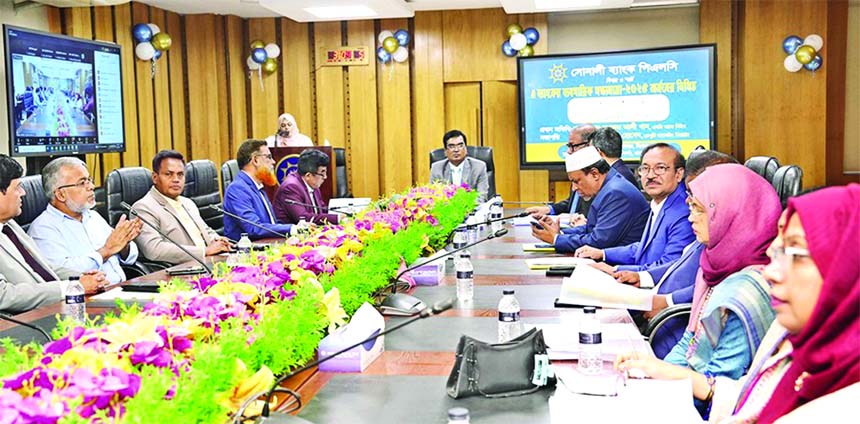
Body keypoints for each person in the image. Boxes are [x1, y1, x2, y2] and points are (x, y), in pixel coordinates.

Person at [615, 185, 859, 423]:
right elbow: (753, 396)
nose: (771, 272)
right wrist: (664, 370)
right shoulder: (793, 335)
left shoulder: (751, 295)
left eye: (795, 254)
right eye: (777, 253)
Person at [611, 150, 740, 358]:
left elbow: (712, 288)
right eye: (645, 169)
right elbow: (679, 264)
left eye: (660, 168)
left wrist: (667, 301)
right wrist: (640, 276)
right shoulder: (702, 226)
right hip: (664, 325)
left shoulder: (726, 237)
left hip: (670, 329)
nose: (691, 215)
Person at [0, 155, 106, 314]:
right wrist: (72, 287)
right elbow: (4, 295)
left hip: (58, 308)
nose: (23, 193)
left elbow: (43, 267)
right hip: (29, 319)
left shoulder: (9, 225)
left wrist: (82, 278)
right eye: (17, 188)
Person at [575, 143, 695, 272]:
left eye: (660, 168)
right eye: (645, 168)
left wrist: (615, 270)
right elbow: (644, 248)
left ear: (678, 174)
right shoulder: (660, 202)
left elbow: (670, 267)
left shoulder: (684, 212)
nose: (650, 175)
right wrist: (602, 253)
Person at [28, 157, 141, 286]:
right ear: (60, 194)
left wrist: (124, 244)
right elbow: (63, 274)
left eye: (89, 180)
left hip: (122, 287)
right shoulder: (43, 229)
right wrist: (106, 250)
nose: (91, 187)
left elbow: (130, 259)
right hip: (90, 295)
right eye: (82, 183)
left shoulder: (93, 216)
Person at [532, 146, 648, 253]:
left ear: (595, 174)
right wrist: (558, 232)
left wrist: (556, 239)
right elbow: (592, 228)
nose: (574, 188)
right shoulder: (609, 187)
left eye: (576, 181)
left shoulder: (616, 192)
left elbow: (598, 242)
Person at [131, 150, 231, 266]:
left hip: (209, 263)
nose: (176, 179)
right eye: (168, 174)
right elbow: (154, 249)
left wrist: (218, 240)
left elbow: (206, 231)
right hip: (180, 269)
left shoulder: (188, 203)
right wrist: (204, 251)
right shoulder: (143, 208)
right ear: (155, 177)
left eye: (180, 174)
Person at [223, 139, 294, 241]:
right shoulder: (237, 189)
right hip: (249, 249)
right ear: (255, 160)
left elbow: (271, 223)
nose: (273, 162)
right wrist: (291, 229)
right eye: (269, 157)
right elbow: (254, 228)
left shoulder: (258, 186)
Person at [525, 124, 596, 219]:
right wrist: (549, 209)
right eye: (568, 146)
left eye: (572, 146)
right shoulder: (577, 170)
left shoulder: (594, 176)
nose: (569, 151)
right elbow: (572, 204)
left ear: (589, 145)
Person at [273, 149, 339, 225]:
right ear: (308, 175)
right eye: (322, 173)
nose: (325, 177)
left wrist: (342, 211)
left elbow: (322, 209)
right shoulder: (291, 187)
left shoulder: (312, 184)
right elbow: (303, 218)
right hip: (289, 232)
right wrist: (337, 218)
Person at [429, 129, 489, 203]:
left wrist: (462, 206)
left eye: (460, 146)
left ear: (466, 149)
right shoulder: (436, 169)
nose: (456, 150)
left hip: (472, 209)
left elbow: (482, 197)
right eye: (451, 146)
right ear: (445, 151)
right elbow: (434, 197)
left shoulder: (479, 167)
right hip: (446, 209)